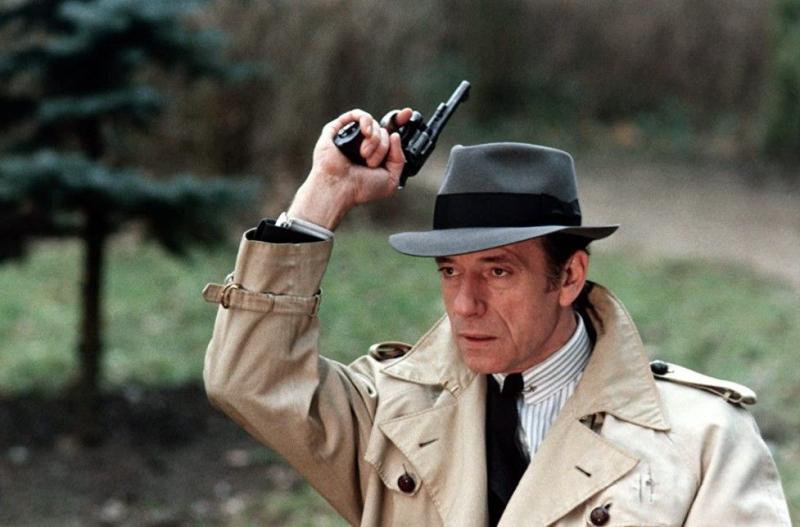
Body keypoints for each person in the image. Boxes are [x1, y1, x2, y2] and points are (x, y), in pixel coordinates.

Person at [202, 108, 792, 526]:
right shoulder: (395, 413)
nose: (465, 304)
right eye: (449, 271)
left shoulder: (701, 438)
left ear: (569, 276)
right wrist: (325, 194)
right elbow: (252, 381)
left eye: (499, 271)